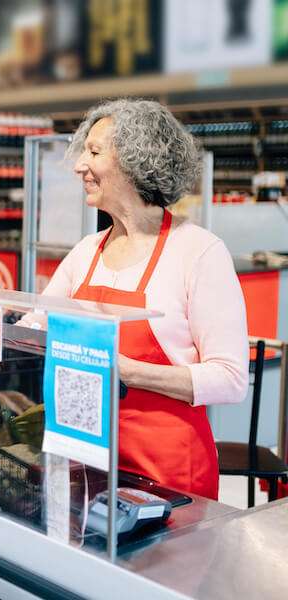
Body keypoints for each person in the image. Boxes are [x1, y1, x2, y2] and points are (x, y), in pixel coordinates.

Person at [43, 99, 248, 499]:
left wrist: (125, 371)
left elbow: (231, 379)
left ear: (137, 163)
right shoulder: (86, 252)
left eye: (94, 152)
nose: (78, 165)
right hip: (87, 463)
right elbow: (32, 328)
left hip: (169, 475)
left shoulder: (198, 252)